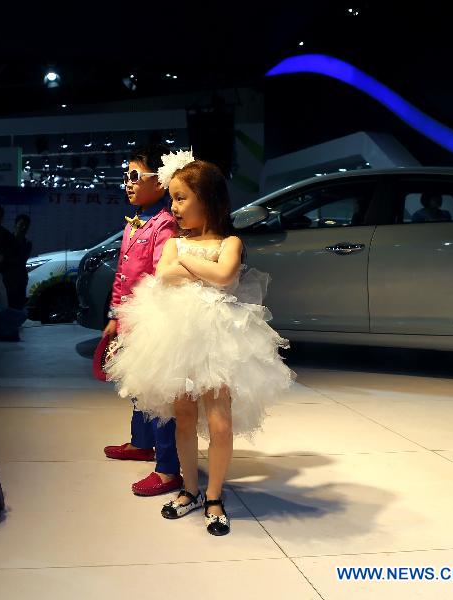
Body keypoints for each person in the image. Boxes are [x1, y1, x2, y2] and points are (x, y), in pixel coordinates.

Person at [104, 152, 294, 536]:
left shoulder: (231, 241)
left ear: (207, 198)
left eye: (180, 198)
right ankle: (189, 489)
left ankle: (214, 495)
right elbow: (164, 275)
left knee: (220, 421)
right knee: (183, 416)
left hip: (219, 337)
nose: (173, 207)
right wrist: (196, 268)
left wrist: (189, 266)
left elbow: (225, 276)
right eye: (172, 198)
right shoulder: (174, 243)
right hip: (177, 336)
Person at [101, 144, 183, 497]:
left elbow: (162, 278)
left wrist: (146, 322)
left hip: (152, 319)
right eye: (126, 177)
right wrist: (115, 316)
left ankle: (168, 469)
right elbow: (122, 275)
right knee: (137, 386)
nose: (128, 183)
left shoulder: (164, 225)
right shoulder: (135, 222)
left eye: (135, 176)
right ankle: (140, 442)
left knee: (158, 395)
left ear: (159, 184)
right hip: (132, 318)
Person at [3, 214, 32, 309]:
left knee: (18, 307)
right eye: (21, 225)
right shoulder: (6, 240)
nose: (24, 228)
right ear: (15, 225)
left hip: (20, 279)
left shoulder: (27, 243)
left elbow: (20, 259)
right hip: (8, 280)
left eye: (26, 226)